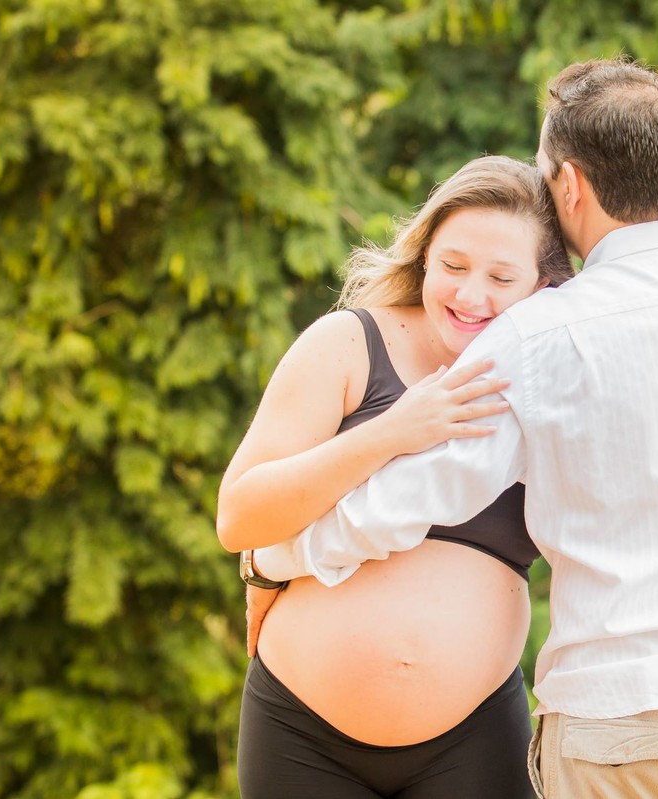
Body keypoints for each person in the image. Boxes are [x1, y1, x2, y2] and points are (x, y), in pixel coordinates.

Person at [255, 58, 658, 799]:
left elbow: (409, 498)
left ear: (571, 184)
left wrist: (281, 555)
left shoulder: (540, 337)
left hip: (622, 721)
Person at [217, 155, 575, 798]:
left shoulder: (558, 377)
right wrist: (393, 433)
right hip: (301, 734)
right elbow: (240, 516)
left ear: (543, 289)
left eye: (501, 277)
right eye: (454, 266)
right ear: (424, 258)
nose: (470, 296)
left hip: (475, 738)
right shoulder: (348, 343)